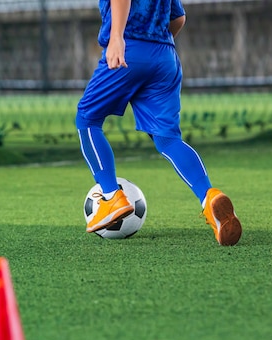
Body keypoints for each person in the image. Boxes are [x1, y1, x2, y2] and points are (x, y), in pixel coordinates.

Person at [76, 0, 242, 246]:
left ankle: (111, 195)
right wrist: (155, 46)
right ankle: (209, 197)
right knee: (168, 139)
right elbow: (178, 18)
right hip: (165, 56)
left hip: (129, 48)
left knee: (87, 119)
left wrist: (117, 37)